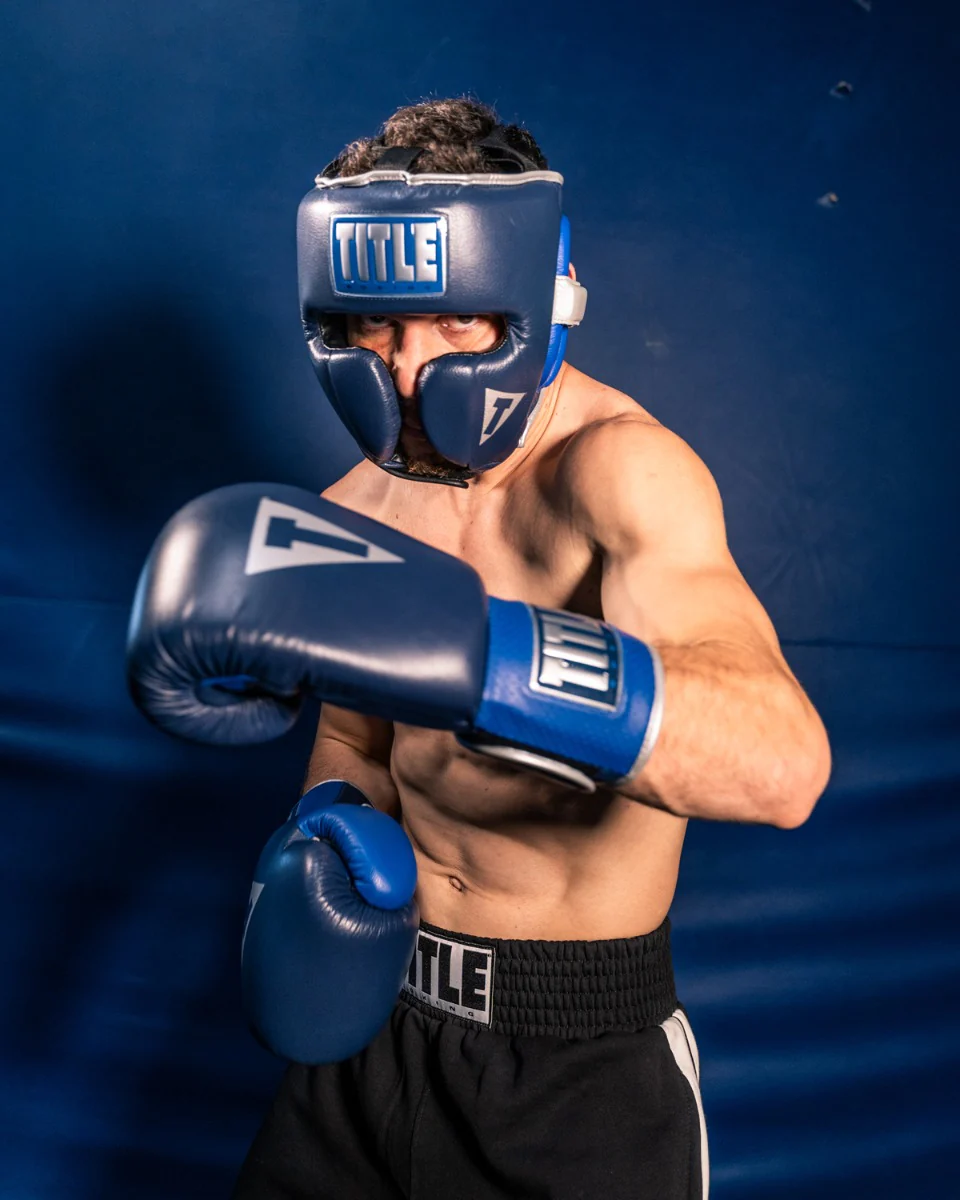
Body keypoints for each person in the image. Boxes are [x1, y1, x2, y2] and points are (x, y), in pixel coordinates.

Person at [127, 98, 831, 1199]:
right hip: (373, 1034)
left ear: (535, 304)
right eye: (373, 328)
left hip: (575, 1068)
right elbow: (356, 738)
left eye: (454, 324)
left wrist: (480, 657)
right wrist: (329, 834)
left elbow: (782, 767)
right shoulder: (356, 505)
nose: (407, 375)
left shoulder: (622, 475)